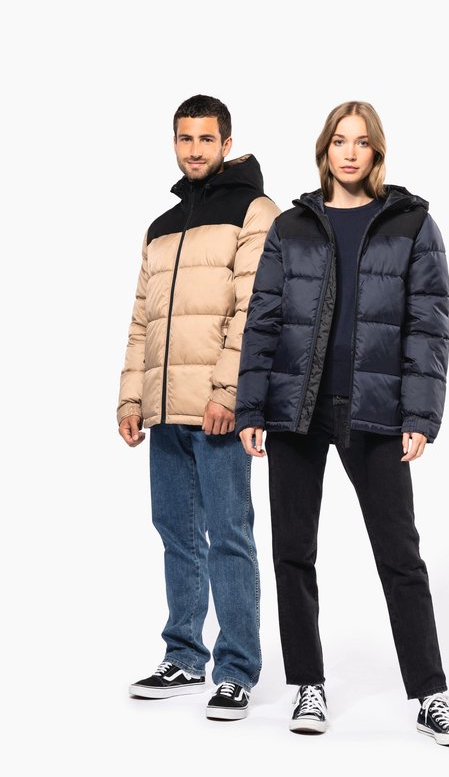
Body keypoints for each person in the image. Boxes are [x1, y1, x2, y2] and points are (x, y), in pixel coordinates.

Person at [235, 101, 449, 744]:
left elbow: (429, 326)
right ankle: (307, 687)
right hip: (297, 409)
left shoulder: (412, 224)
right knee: (293, 552)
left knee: (400, 556)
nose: (349, 152)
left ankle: (431, 695)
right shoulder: (290, 226)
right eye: (339, 141)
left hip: (376, 410)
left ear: (376, 152)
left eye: (361, 142)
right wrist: (252, 406)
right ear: (325, 149)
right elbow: (263, 320)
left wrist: (420, 414)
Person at [117, 94, 280, 720]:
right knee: (176, 533)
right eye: (185, 139)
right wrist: (132, 397)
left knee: (229, 535)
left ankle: (236, 668)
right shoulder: (161, 226)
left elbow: (255, 309)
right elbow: (143, 319)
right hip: (164, 409)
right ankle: (184, 655)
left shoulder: (254, 211)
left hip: (217, 409)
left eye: (206, 139)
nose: (194, 149)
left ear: (226, 144)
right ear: (175, 143)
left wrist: (229, 393)